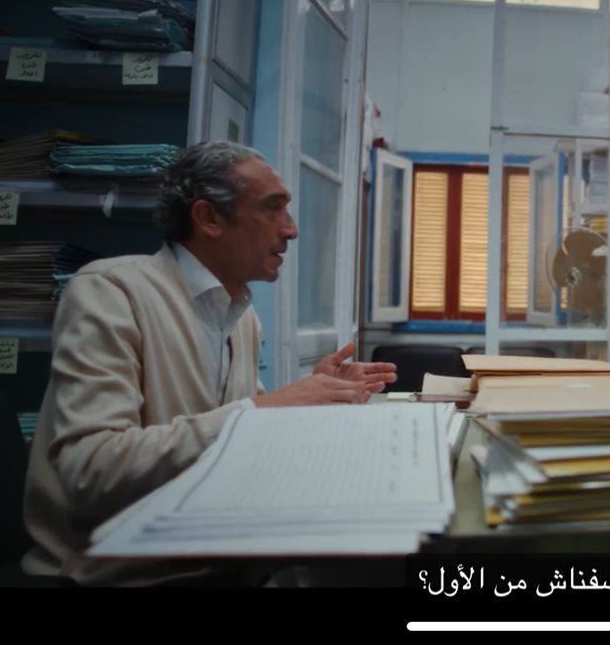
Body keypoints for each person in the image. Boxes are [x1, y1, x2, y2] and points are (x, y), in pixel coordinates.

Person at [21, 141, 397, 587]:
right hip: (115, 576)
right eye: (272, 208)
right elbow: (93, 471)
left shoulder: (241, 316)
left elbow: (237, 435)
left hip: (215, 562)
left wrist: (312, 396)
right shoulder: (110, 292)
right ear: (209, 218)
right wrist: (271, 409)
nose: (291, 229)